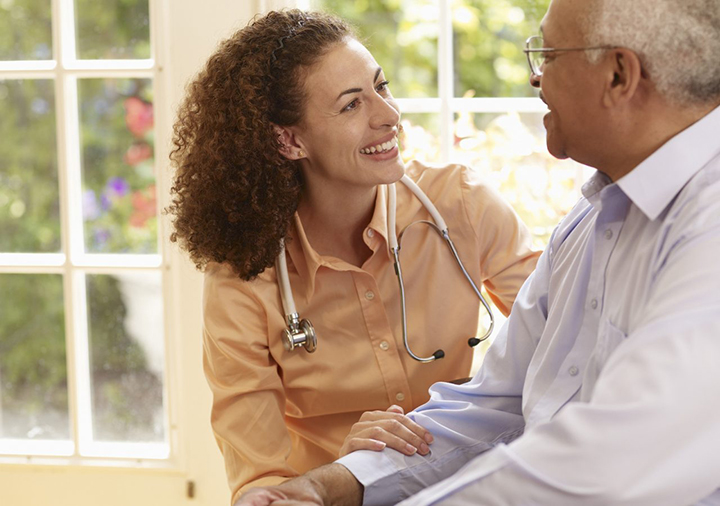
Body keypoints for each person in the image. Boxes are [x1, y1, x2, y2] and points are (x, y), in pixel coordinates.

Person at [232, 0, 720, 505]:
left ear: (618, 74)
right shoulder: (599, 214)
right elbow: (498, 403)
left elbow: (607, 466)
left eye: (546, 57)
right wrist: (334, 485)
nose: (534, 80)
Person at [167, 9, 540, 505]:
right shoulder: (244, 280)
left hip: (470, 487)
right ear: (290, 139)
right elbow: (260, 481)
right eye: (351, 106)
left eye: (381, 87)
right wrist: (346, 472)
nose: (389, 115)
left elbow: (568, 337)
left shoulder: (462, 205)